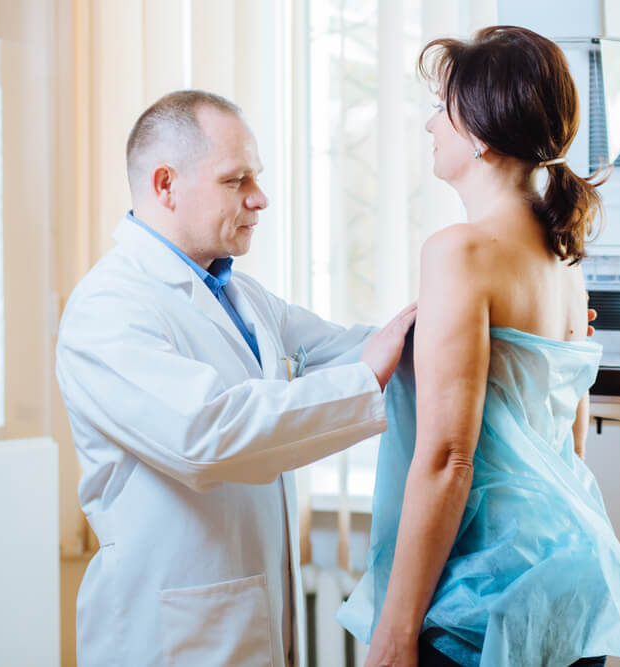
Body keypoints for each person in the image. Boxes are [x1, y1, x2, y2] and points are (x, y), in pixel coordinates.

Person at [336, 26, 620, 667]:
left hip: (481, 596)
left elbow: (449, 458)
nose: (428, 126)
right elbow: (572, 442)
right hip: (562, 578)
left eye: (441, 107)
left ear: (477, 132)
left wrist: (392, 636)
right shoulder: (562, 258)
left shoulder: (460, 251)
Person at [55, 90, 416, 667]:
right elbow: (208, 435)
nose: (260, 198)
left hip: (249, 617)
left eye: (257, 176)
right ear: (165, 184)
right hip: (170, 636)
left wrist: (484, 324)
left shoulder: (236, 293)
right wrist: (364, 383)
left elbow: (354, 349)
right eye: (236, 180)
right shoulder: (108, 307)